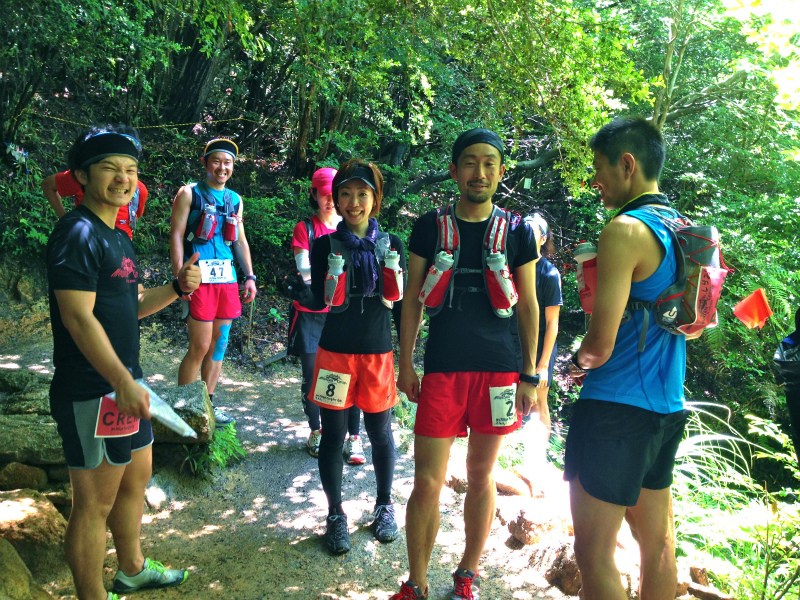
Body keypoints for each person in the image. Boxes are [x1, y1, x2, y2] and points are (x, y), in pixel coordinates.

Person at [46, 125, 200, 600]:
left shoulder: (116, 234)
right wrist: (119, 380)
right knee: (93, 503)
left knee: (136, 475)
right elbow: (77, 317)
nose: (123, 178)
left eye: (130, 170)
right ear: (82, 175)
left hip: (123, 382)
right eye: (111, 168)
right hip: (94, 388)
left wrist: (176, 288)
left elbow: (129, 304)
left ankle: (131, 568)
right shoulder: (77, 232)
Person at [393, 128, 541, 600]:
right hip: (443, 367)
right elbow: (413, 301)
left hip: (500, 371)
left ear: (501, 171)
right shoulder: (429, 226)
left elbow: (529, 305)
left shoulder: (517, 231)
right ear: (455, 170)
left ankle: (467, 576)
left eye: (490, 163)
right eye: (470, 163)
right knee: (427, 481)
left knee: (482, 476)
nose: (480, 172)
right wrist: (406, 363)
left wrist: (530, 374)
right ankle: (416, 582)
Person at [566, 117, 692, 600]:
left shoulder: (624, 230)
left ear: (627, 164)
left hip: (616, 409)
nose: (595, 181)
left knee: (594, 554)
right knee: (657, 546)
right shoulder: (678, 228)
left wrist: (572, 366)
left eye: (599, 168)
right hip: (666, 408)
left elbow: (599, 345)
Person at [300, 159, 405, 555]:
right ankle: (335, 515)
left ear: (375, 199)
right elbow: (319, 298)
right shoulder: (324, 243)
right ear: (335, 199)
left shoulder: (390, 243)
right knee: (331, 434)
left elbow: (397, 299)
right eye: (345, 193)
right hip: (335, 354)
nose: (353, 201)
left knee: (380, 433)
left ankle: (384, 506)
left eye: (362, 194)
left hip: (377, 352)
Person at [169, 138, 258, 425]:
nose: (222, 167)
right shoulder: (189, 194)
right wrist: (179, 276)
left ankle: (206, 406)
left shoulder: (235, 199)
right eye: (217, 161)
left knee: (219, 344)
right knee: (200, 345)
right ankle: (183, 406)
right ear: (206, 162)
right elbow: (176, 235)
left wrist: (250, 276)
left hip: (227, 279)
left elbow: (240, 241)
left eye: (228, 162)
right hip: (198, 278)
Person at [288, 167, 364, 462]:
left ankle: (353, 438)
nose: (330, 200)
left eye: (335, 193)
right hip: (311, 313)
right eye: (324, 194)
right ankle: (316, 430)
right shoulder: (305, 228)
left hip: (343, 313)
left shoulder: (353, 227)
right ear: (315, 195)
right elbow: (305, 270)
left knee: (350, 376)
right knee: (312, 377)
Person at [520, 214, 562, 464]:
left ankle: (536, 461)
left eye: (532, 231)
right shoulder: (510, 265)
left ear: (543, 238)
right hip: (513, 343)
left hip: (540, 348)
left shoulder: (549, 273)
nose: (525, 234)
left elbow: (552, 323)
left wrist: (544, 364)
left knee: (539, 400)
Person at [42, 168, 148, 240]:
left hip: (122, 251)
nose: (123, 178)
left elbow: (135, 217)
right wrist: (65, 220)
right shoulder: (85, 177)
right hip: (86, 244)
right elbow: (48, 186)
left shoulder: (139, 190)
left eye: (129, 169)